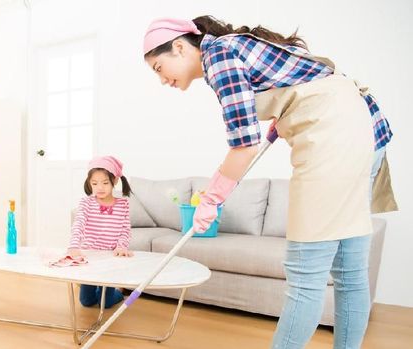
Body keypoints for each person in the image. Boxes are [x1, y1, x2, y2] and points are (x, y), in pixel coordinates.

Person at [143, 15, 397, 349]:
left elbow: (244, 145)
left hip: (333, 137)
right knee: (349, 274)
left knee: (305, 275)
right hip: (363, 129)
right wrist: (285, 114)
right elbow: (303, 79)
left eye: (159, 68)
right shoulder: (233, 47)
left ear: (179, 47)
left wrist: (212, 197)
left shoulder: (217, 56)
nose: (163, 80)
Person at [68, 155, 133, 308]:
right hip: (90, 258)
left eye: (105, 183)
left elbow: (125, 229)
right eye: (95, 183)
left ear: (115, 181)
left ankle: (117, 291)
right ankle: (100, 289)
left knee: (105, 303)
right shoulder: (86, 202)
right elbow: (78, 224)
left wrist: (121, 247)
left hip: (110, 259)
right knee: (86, 301)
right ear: (89, 183)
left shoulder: (123, 204)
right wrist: (73, 246)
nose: (100, 188)